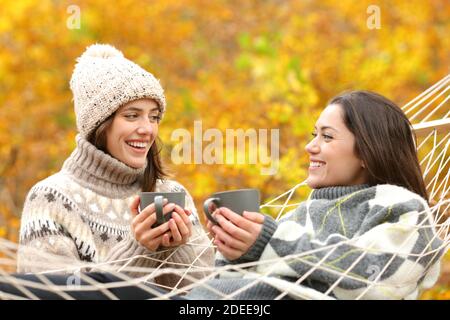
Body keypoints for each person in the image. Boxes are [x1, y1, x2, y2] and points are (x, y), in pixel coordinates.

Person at [1, 90, 444, 300]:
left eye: (326, 137)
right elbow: (231, 277)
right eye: (313, 134)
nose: (310, 146)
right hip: (208, 306)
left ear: (367, 149)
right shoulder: (302, 213)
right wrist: (227, 249)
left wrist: (266, 241)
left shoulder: (403, 208)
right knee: (97, 288)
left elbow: (379, 278)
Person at [14, 43, 214, 289]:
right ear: (99, 125)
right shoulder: (50, 200)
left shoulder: (172, 195)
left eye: (154, 117)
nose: (147, 129)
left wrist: (176, 248)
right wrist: (138, 250)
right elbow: (55, 296)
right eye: (132, 115)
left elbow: (210, 298)